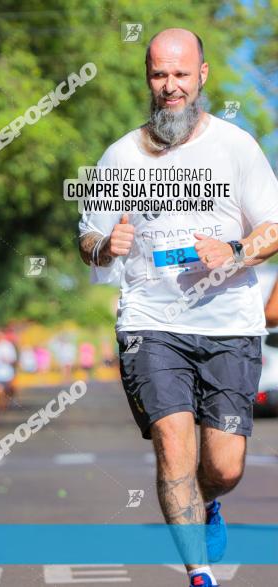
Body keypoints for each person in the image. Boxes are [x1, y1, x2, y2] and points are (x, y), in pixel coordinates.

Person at [78, 28, 278, 587]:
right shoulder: (119, 155)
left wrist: (236, 250)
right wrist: (102, 246)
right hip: (151, 324)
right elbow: (89, 241)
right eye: (160, 75)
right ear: (148, 79)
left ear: (202, 76)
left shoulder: (236, 147)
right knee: (173, 445)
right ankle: (199, 573)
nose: (171, 87)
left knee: (223, 466)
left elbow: (274, 227)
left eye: (181, 75)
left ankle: (209, 501)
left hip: (230, 326)